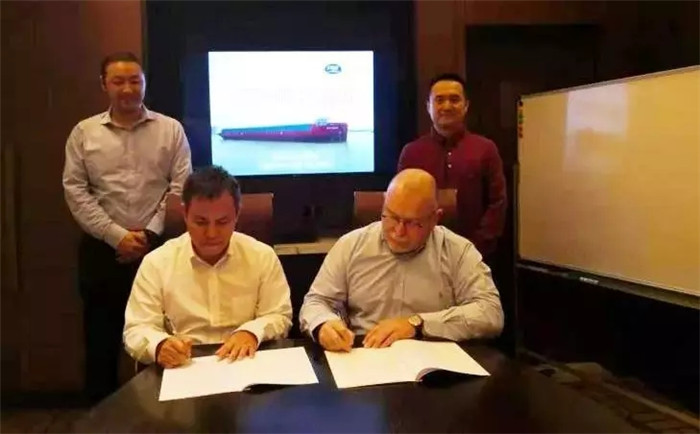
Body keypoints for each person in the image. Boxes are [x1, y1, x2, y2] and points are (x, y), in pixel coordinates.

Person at [62, 52, 192, 402]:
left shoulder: (170, 130)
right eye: (118, 81)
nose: (128, 89)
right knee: (101, 343)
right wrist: (117, 236)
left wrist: (149, 234)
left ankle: (162, 418)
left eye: (135, 80)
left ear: (145, 82)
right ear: (104, 85)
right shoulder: (84, 133)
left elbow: (180, 186)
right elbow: (75, 190)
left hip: (159, 248)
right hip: (102, 250)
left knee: (163, 340)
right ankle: (101, 418)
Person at [299, 168, 503, 352]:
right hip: (366, 356)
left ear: (434, 218)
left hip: (433, 361)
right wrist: (323, 324)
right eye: (391, 217)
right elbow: (316, 301)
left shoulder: (457, 251)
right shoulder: (351, 245)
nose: (398, 231)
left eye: (412, 223)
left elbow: (490, 313)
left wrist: (418, 324)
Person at [123, 166, 293, 368]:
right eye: (201, 222)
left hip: (245, 361)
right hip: (184, 366)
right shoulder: (157, 263)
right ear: (185, 214)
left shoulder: (262, 256)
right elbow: (136, 328)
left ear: (237, 215)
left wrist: (251, 332)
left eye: (222, 222)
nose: (211, 234)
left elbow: (279, 315)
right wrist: (160, 346)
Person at [398, 73, 507, 258]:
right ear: (428, 107)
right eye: (439, 100)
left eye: (454, 100)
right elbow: (400, 203)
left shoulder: (486, 149)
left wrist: (475, 248)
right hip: (421, 255)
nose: (447, 106)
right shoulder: (411, 153)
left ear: (466, 106)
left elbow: (497, 203)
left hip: (476, 255)